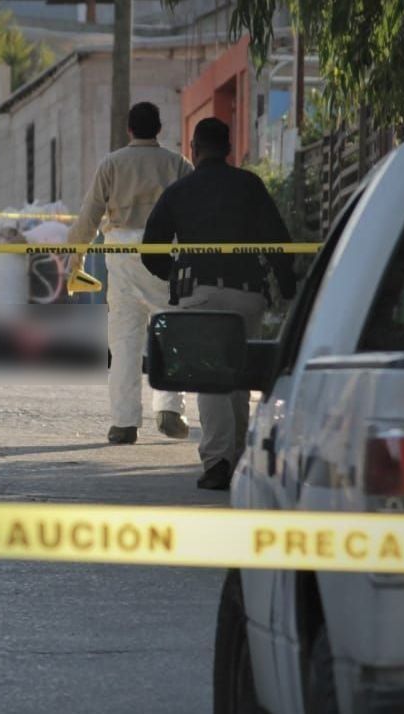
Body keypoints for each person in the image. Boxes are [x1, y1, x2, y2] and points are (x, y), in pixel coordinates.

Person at [141, 117, 297, 490]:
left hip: (200, 294)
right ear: (228, 149)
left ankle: (217, 463)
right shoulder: (250, 185)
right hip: (248, 293)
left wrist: (175, 273)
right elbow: (278, 240)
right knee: (239, 375)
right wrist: (288, 286)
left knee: (210, 376)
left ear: (193, 150)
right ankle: (240, 459)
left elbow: (151, 250)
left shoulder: (179, 191)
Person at [65, 101, 192, 445]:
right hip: (165, 250)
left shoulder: (112, 163)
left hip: (120, 252)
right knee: (170, 329)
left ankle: (124, 423)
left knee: (124, 340)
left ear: (129, 129)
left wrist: (75, 254)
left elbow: (90, 213)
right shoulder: (177, 163)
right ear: (159, 130)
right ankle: (170, 409)